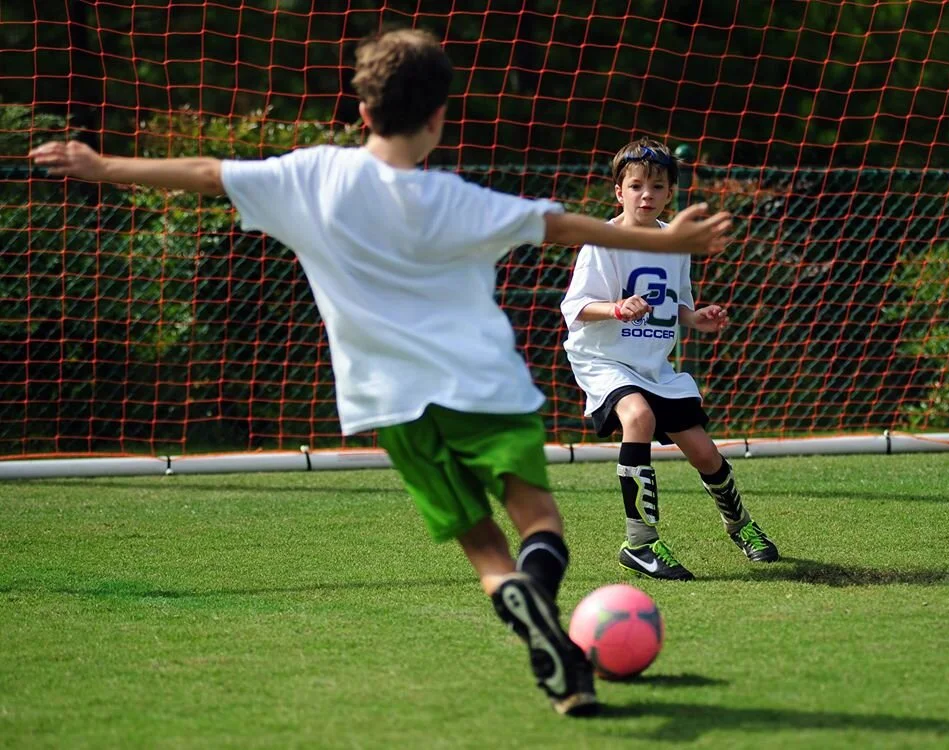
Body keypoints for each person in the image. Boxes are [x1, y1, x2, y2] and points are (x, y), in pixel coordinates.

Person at [29, 30, 731, 715]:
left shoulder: (310, 177)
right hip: (487, 391)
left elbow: (209, 173)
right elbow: (564, 227)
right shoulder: (458, 198)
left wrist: (102, 165)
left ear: (363, 111)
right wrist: (667, 239)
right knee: (539, 521)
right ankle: (539, 595)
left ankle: (537, 629)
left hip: (392, 405)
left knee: (484, 548)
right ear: (438, 119)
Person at [561, 137, 779, 582]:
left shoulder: (674, 243)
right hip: (604, 360)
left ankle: (740, 526)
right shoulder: (602, 243)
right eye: (636, 186)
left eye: (657, 187)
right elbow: (576, 307)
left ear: (669, 193)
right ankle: (640, 542)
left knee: (704, 453)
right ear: (618, 192)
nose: (646, 195)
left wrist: (695, 318)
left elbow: (676, 304)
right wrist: (616, 308)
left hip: (654, 367)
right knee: (637, 416)